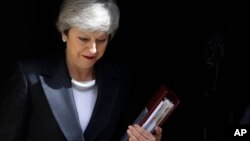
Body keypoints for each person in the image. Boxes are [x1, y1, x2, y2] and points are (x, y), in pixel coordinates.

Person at [0, 0, 163, 140]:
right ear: (64, 33)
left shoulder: (119, 79)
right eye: (83, 38)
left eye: (101, 40)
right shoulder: (30, 76)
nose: (92, 49)